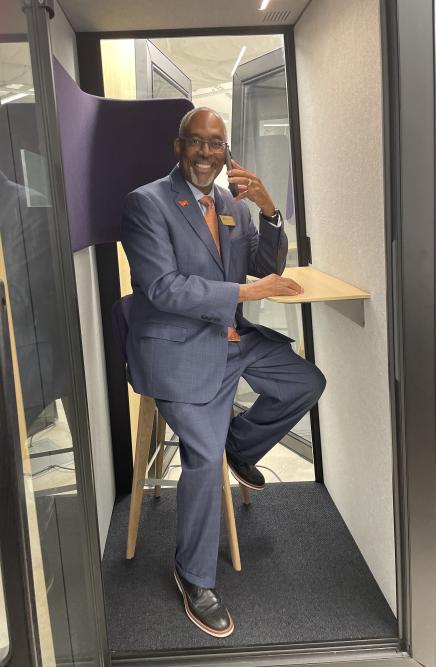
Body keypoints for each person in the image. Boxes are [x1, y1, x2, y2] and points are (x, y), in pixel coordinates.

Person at [121, 107, 326, 638]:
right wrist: (244, 294)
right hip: (180, 348)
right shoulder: (147, 204)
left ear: (226, 150)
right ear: (178, 146)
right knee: (202, 458)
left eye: (216, 144)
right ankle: (193, 577)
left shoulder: (234, 205)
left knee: (305, 382)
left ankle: (241, 445)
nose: (207, 153)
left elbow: (267, 266)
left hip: (232, 340)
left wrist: (271, 211)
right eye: (197, 142)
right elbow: (162, 287)